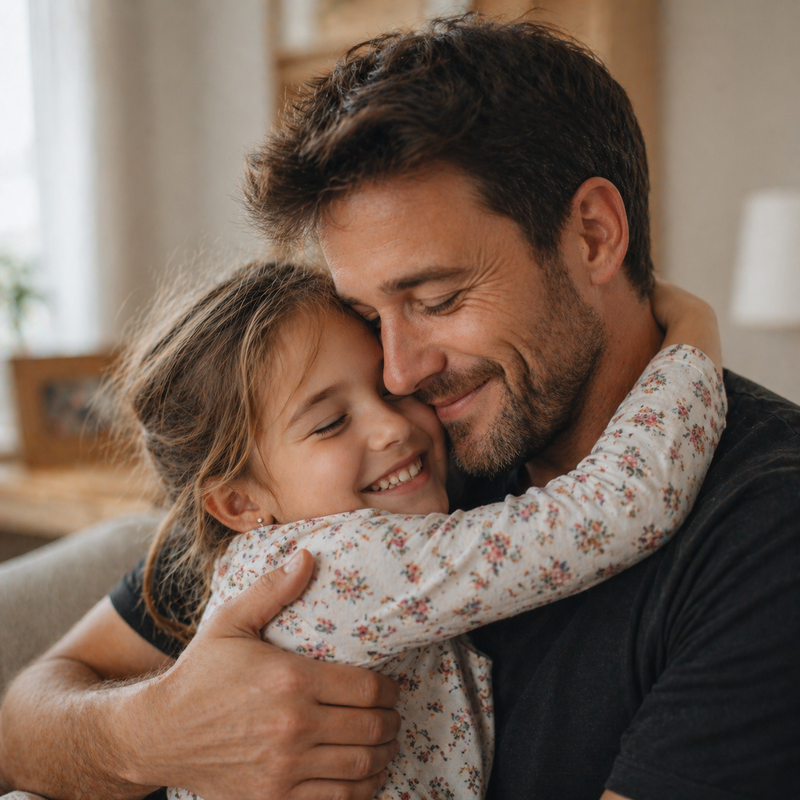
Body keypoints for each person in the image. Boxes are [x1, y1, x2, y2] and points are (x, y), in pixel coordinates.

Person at [1, 13, 797, 800]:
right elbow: (25, 724)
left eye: (438, 298)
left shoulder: (765, 530)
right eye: (369, 317)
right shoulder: (344, 495)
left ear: (592, 233)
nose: (400, 373)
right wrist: (155, 732)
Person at [99, 259, 718, 800]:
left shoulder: (266, 547)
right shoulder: (341, 564)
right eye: (330, 423)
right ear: (236, 502)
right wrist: (693, 334)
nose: (391, 427)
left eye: (388, 388)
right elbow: (617, 507)